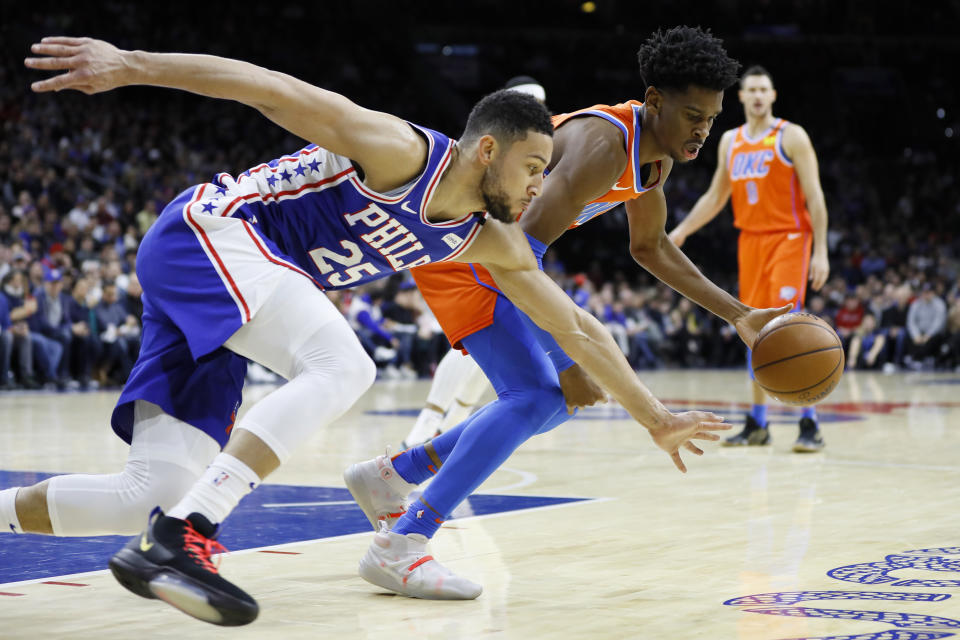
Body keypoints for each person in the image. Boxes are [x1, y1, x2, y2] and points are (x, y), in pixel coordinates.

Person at [3, 36, 732, 626]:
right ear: (488, 151)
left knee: (143, 490)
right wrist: (131, 65)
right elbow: (267, 85)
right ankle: (185, 536)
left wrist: (655, 417)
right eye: (534, 167)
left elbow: (577, 327)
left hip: (230, 289)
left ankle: (147, 520)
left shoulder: (488, 240)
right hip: (211, 233)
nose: (542, 187)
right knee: (344, 364)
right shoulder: (402, 153)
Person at [345, 26, 789, 600]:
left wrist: (740, 315)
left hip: (492, 252)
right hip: (468, 247)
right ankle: (403, 541)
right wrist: (570, 349)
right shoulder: (604, 147)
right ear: (654, 100)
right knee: (538, 396)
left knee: (560, 400)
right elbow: (514, 248)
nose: (702, 130)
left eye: (710, 117)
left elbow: (650, 247)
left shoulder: (651, 161)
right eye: (690, 114)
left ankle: (392, 475)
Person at [668, 65, 831, 452]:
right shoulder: (730, 141)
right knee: (754, 330)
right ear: (740, 97)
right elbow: (715, 196)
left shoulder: (791, 136)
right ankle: (757, 423)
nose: (758, 95)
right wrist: (683, 230)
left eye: (764, 89)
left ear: (773, 95)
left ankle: (810, 423)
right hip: (751, 242)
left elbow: (815, 196)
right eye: (751, 90)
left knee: (787, 329)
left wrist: (820, 250)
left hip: (790, 238)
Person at [402, 75, 548, 448]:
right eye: (530, 102)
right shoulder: (488, 148)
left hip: (492, 247)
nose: (538, 112)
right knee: (476, 334)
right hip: (456, 243)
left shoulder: (537, 155)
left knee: (497, 338)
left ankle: (452, 423)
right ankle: (429, 423)